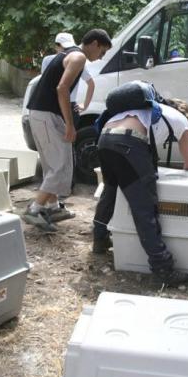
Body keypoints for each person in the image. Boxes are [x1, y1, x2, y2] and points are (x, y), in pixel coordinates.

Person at [92, 88, 188, 287]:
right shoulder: (181, 120)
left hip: (105, 138)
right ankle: (163, 268)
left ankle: (99, 239)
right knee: (144, 208)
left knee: (110, 191)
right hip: (128, 142)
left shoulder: (142, 110)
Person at [24, 29, 112, 232]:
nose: (101, 57)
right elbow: (62, 88)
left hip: (43, 113)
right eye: (102, 52)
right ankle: (34, 210)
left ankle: (53, 207)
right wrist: (70, 125)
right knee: (60, 164)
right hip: (46, 114)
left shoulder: (69, 53)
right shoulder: (78, 57)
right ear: (95, 43)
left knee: (53, 163)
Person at [41, 32, 96, 127]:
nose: (67, 50)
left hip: (63, 105)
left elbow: (91, 83)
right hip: (55, 105)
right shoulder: (48, 60)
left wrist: (85, 105)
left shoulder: (76, 60)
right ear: (56, 46)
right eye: (64, 47)